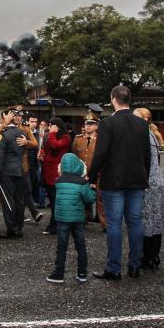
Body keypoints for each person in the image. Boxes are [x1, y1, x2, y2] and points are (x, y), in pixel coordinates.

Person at [87, 85, 150, 280]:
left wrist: (91, 175)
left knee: (114, 224)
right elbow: (147, 155)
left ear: (113, 99)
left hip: (114, 180)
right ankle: (135, 265)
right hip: (137, 179)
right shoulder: (142, 124)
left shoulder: (108, 123)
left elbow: (101, 153)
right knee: (135, 222)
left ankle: (114, 268)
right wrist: (144, 176)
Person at [47, 153, 95, 284]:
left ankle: (58, 274)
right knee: (80, 246)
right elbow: (89, 199)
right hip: (78, 219)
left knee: (61, 246)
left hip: (62, 218)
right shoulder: (82, 182)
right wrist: (93, 190)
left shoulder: (58, 181)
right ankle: (82, 273)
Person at [133, 108, 164, 270]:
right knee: (156, 221)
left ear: (145, 119)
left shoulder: (142, 136)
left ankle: (146, 257)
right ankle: (154, 256)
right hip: (157, 182)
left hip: (147, 182)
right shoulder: (152, 135)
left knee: (146, 220)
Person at [0, 108, 28, 239]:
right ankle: (19, 227)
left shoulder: (4, 134)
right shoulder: (22, 133)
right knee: (19, 199)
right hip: (19, 169)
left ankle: (11, 229)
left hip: (6, 171)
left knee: (8, 200)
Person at [40, 118, 71, 235]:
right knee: (52, 200)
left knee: (56, 201)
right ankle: (54, 224)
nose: (50, 128)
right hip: (48, 171)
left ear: (57, 127)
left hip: (57, 172)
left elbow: (55, 146)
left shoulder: (66, 137)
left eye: (52, 126)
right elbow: (47, 147)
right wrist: (42, 153)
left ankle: (56, 225)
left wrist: (52, 133)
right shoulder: (50, 136)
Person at [73, 110, 102, 230]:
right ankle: (84, 219)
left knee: (100, 199)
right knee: (82, 198)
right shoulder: (78, 139)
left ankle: (104, 223)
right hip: (82, 174)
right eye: (86, 123)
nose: (88, 126)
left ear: (96, 126)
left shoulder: (101, 139)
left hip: (98, 174)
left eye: (91, 123)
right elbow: (74, 155)